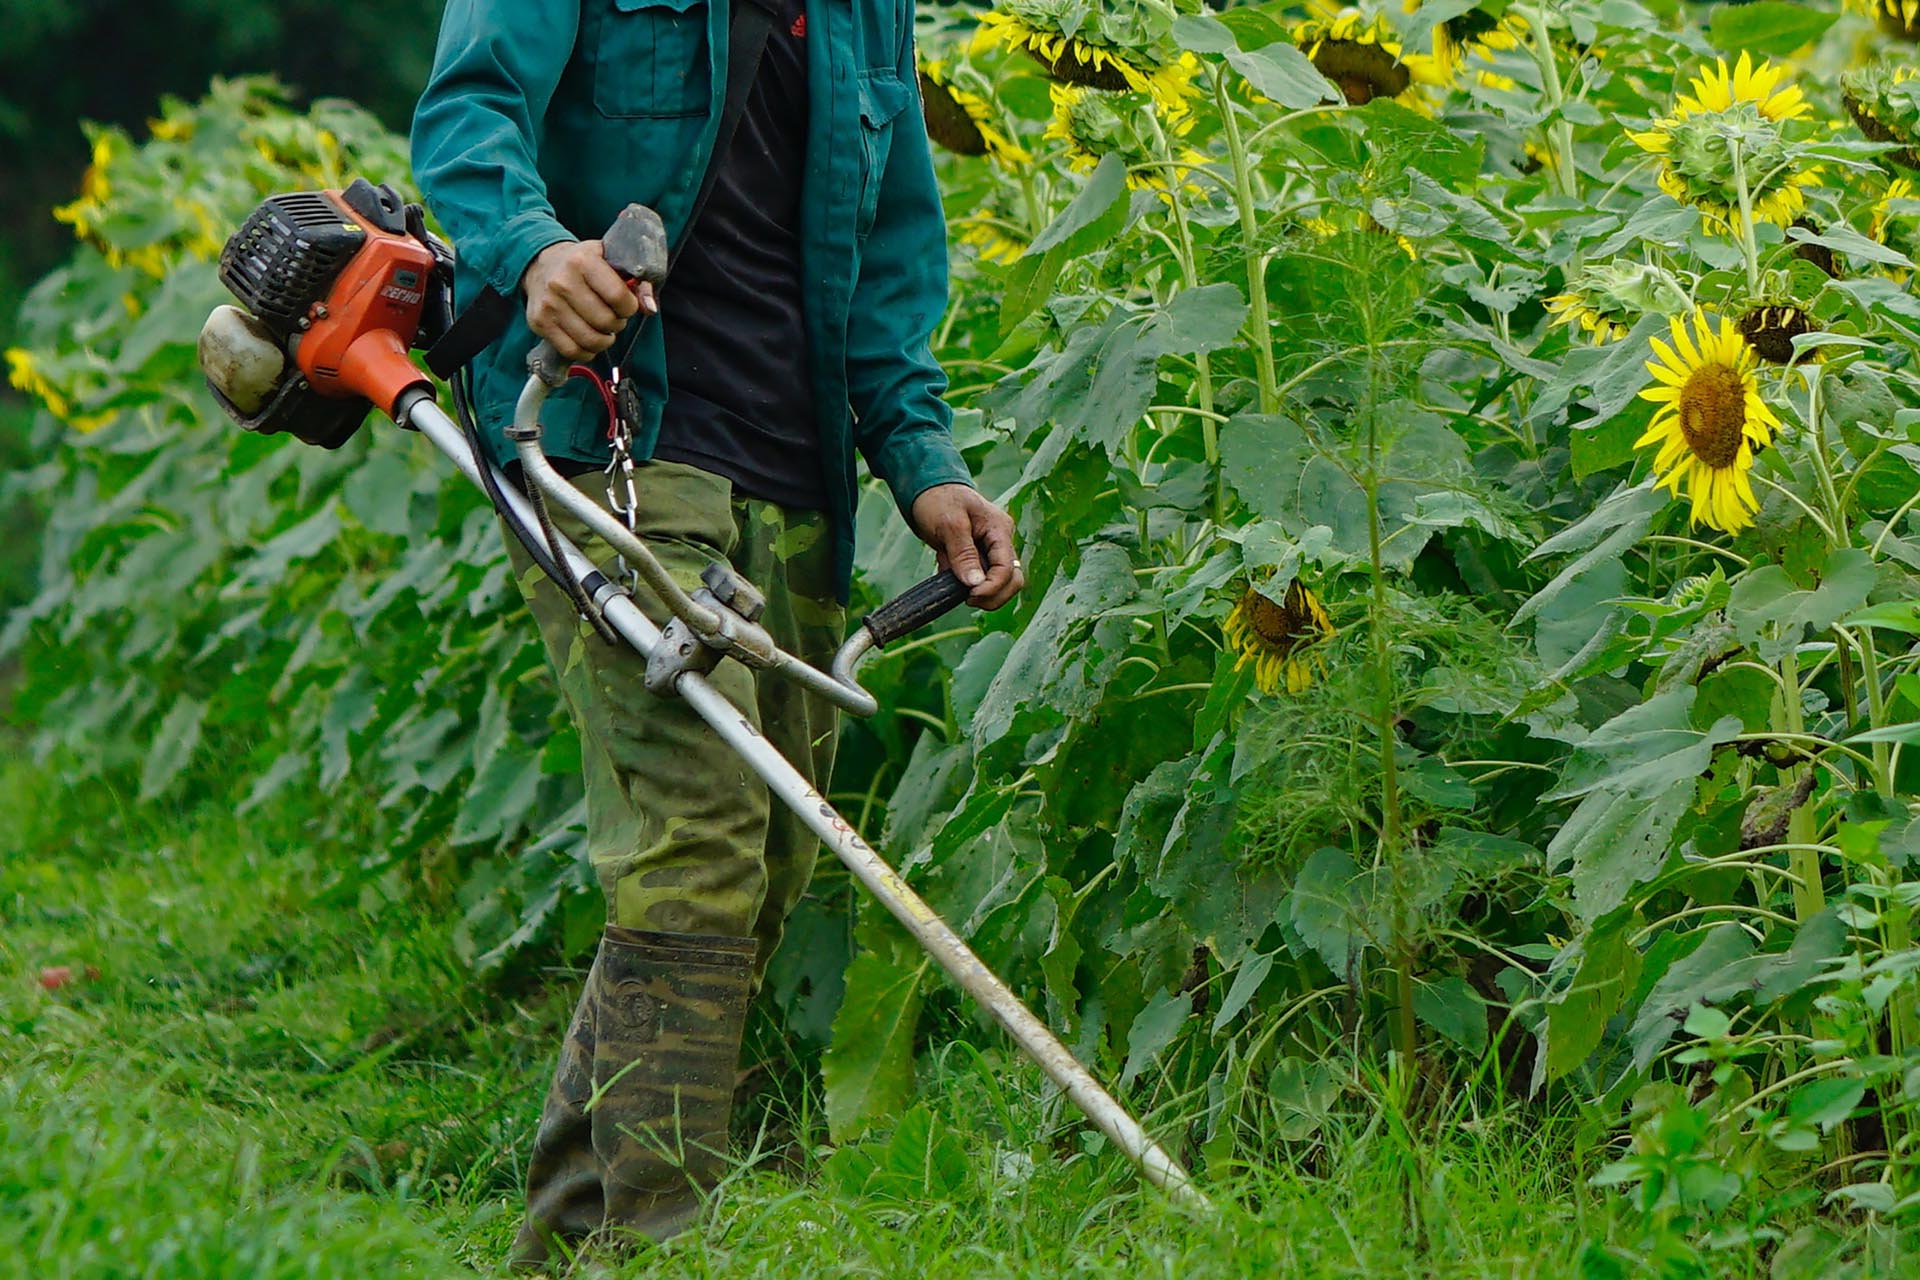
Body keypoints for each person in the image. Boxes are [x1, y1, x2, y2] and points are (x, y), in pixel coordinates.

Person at [410, 0, 1023, 1267]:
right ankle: (658, 1250)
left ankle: (568, 1251)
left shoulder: (867, 13)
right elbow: (468, 113)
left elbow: (889, 253)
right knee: (698, 832)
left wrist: (924, 464)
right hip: (612, 439)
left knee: (758, 873)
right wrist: (536, 253)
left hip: (795, 479)